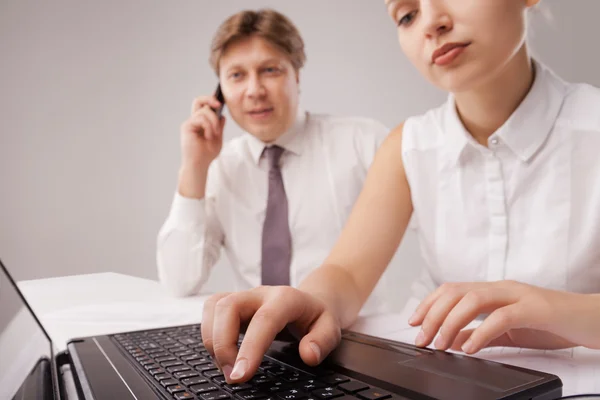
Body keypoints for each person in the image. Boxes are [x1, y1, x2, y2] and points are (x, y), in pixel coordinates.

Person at [199, 0, 600, 384]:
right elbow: (347, 274)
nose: (433, 22)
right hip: (442, 379)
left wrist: (558, 310)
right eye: (407, 15)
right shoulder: (407, 145)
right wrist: (309, 302)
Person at [156, 9, 390, 315]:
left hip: (355, 339)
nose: (254, 91)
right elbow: (179, 282)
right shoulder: (220, 167)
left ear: (296, 75)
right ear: (220, 93)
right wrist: (194, 167)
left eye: (270, 70)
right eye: (237, 76)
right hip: (259, 347)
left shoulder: (364, 142)